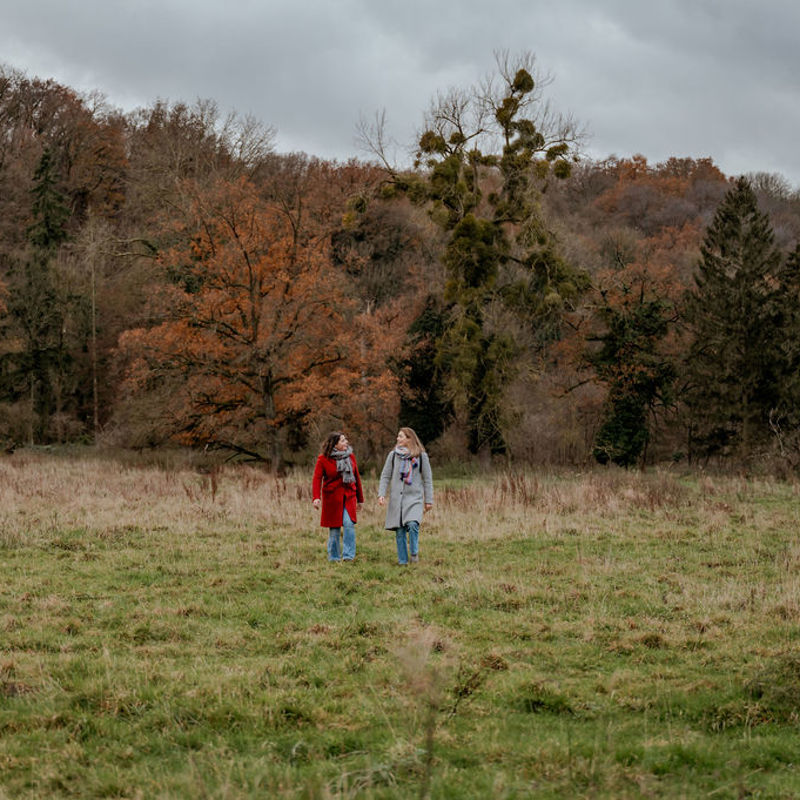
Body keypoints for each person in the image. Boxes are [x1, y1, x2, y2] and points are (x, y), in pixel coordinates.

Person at [378, 427, 434, 566]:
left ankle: (414, 552)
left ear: (410, 439)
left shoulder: (421, 456)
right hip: (397, 500)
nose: (398, 439)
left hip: (414, 498)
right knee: (400, 531)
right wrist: (381, 494)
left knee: (413, 524)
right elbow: (385, 476)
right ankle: (402, 562)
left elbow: (427, 479)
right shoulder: (393, 456)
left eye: (401, 436)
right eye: (398, 436)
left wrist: (429, 500)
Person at [312, 432, 364, 562]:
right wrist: (316, 497)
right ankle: (334, 557)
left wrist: (360, 499)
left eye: (346, 440)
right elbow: (317, 479)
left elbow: (356, 477)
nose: (346, 442)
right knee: (334, 529)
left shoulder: (350, 456)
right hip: (332, 498)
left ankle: (348, 556)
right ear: (335, 444)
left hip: (349, 496)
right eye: (343, 441)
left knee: (348, 524)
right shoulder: (323, 459)